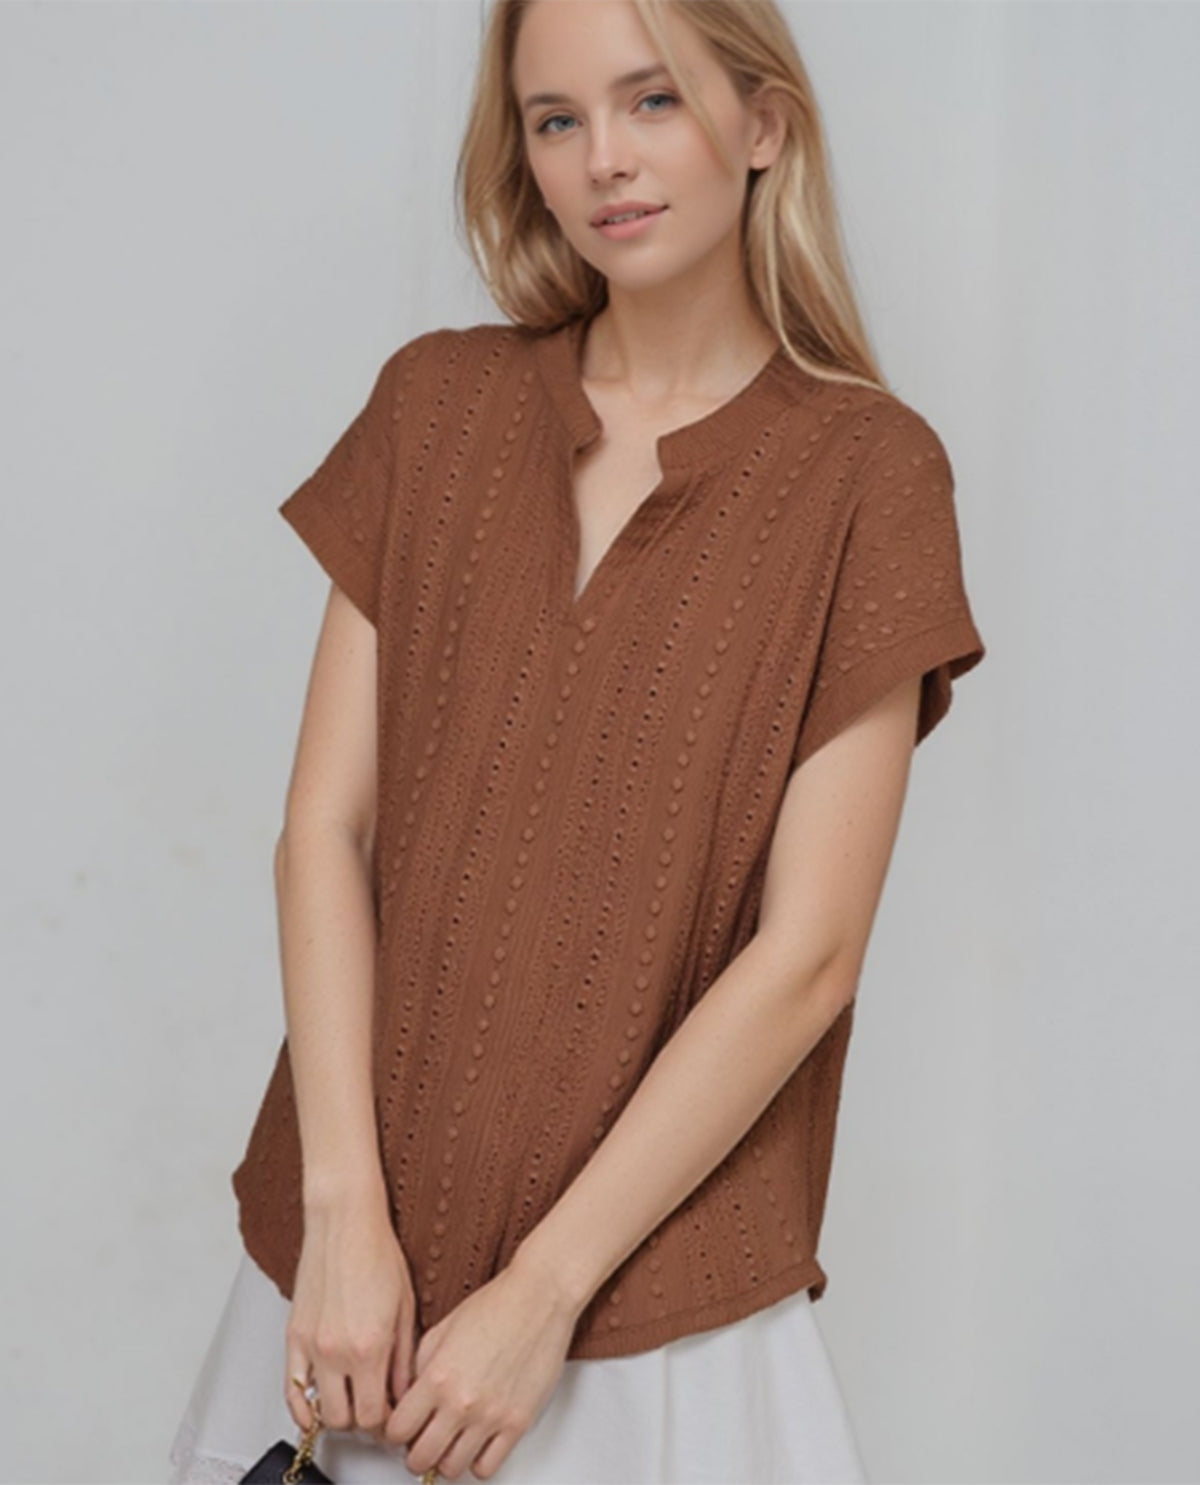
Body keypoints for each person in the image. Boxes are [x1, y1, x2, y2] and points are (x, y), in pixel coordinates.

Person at [168, 1, 986, 1481]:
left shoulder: (871, 475)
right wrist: (343, 1218)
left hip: (653, 1315)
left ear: (764, 124)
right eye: (557, 119)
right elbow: (323, 832)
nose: (605, 156)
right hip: (351, 1291)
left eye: (651, 99)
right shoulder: (438, 405)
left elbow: (807, 956)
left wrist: (541, 1293)